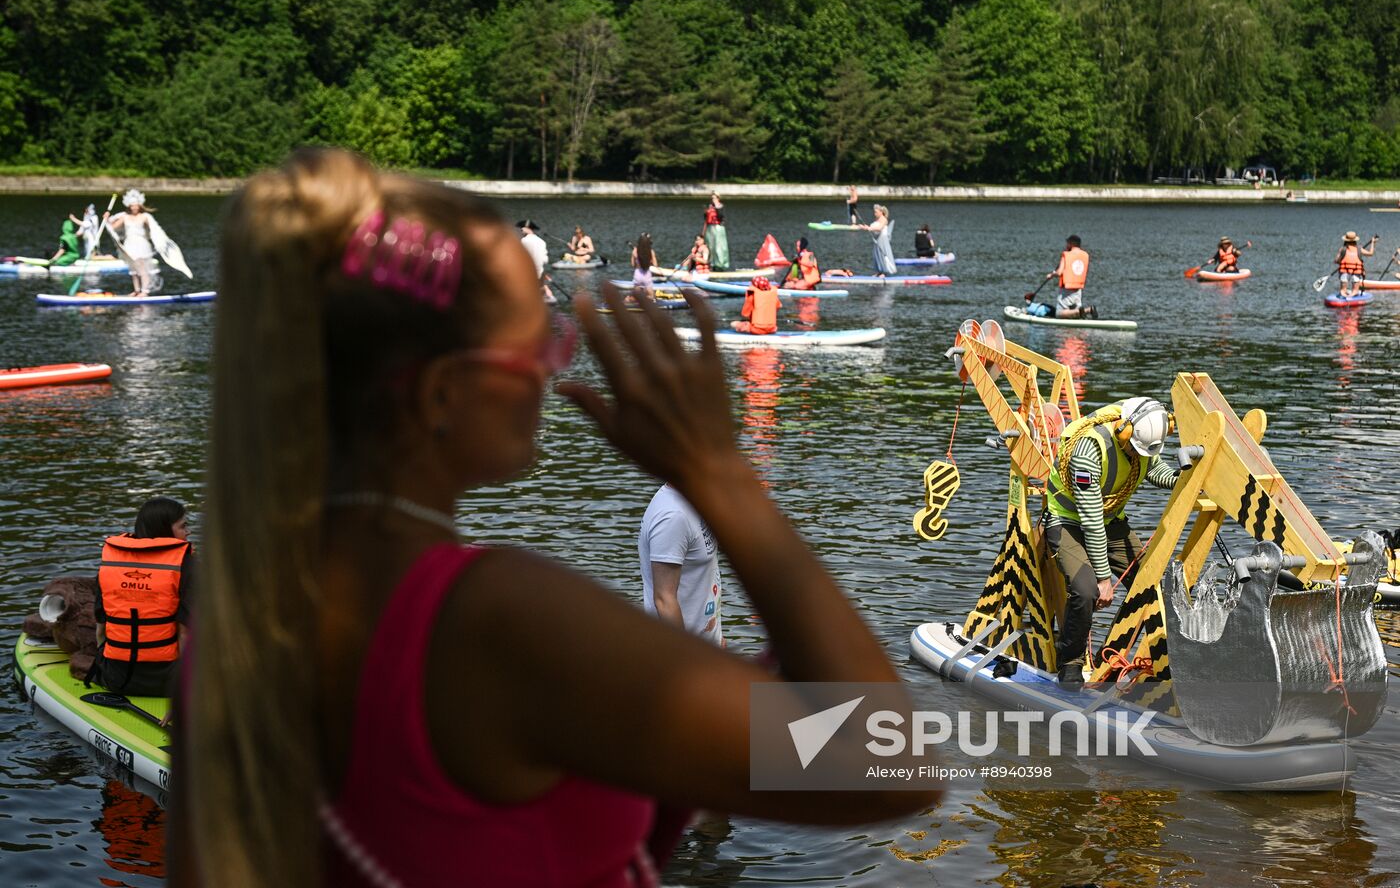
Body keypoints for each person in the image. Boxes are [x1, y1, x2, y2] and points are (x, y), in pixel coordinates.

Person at [173, 148, 934, 887]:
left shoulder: (242, 623)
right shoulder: (497, 617)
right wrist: (718, 474)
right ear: (442, 394)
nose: (556, 362)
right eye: (535, 342)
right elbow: (887, 763)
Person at [1044, 398, 1180, 690]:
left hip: (1110, 520)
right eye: (1134, 448)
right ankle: (1070, 664)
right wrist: (1104, 579)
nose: (1136, 455)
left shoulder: (1142, 441)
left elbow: (1155, 469)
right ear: (1123, 431)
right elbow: (1091, 519)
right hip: (1068, 521)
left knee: (1152, 583)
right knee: (1085, 591)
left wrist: (1184, 478)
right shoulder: (1088, 452)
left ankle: (1127, 655)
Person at [90, 497, 194, 698]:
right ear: (164, 529)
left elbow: (100, 628)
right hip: (167, 683)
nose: (188, 532)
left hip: (116, 679)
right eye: (183, 526)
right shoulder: (187, 565)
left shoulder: (111, 564)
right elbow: (185, 634)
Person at [639, 484, 721, 643]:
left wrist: (717, 637)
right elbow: (664, 600)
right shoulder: (672, 516)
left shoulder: (694, 501)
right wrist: (686, 654)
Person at [103, 189, 158, 295]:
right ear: (129, 206)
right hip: (130, 244)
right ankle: (136, 290)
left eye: (136, 205)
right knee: (133, 268)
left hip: (142, 244)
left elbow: (154, 229)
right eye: (132, 206)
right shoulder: (125, 217)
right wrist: (107, 219)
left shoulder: (145, 217)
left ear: (139, 206)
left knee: (142, 267)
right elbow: (112, 227)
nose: (134, 208)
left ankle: (145, 291)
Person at [1050, 235, 1093, 319]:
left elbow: (1059, 272)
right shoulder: (1085, 255)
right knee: (1075, 313)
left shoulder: (1066, 255)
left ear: (1071, 244)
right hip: (1078, 288)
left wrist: (1051, 275)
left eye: (1067, 244)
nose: (1066, 246)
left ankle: (1088, 310)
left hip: (1067, 289)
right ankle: (1081, 312)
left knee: (1059, 314)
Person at [516, 219, 552, 302]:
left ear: (527, 228)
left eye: (522, 228)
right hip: (540, 273)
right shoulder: (542, 242)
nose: (521, 230)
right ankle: (547, 293)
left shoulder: (524, 241)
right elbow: (545, 260)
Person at [1336, 230, 1377, 297]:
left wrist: (1341, 263)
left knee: (1343, 290)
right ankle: (1353, 294)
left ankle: (1343, 293)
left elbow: (1337, 260)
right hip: (1356, 271)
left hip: (1344, 271)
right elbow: (1370, 253)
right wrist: (1373, 243)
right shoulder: (1359, 249)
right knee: (1355, 290)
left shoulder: (1342, 249)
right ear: (1355, 240)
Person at [860, 204, 896, 277]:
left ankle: (884, 272)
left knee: (882, 255)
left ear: (881, 212)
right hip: (877, 240)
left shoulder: (884, 219)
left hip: (883, 240)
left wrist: (869, 228)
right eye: (874, 212)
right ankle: (879, 271)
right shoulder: (877, 219)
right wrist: (864, 227)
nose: (874, 214)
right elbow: (872, 228)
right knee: (876, 255)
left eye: (876, 212)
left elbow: (879, 228)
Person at [703, 192, 730, 271]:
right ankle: (711, 263)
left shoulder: (720, 207)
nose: (713, 200)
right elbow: (706, 218)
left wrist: (716, 207)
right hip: (710, 228)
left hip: (718, 228)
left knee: (719, 246)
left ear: (718, 198)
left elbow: (721, 217)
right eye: (712, 198)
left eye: (714, 198)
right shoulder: (709, 207)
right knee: (710, 246)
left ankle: (721, 264)